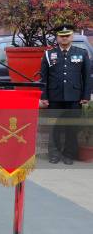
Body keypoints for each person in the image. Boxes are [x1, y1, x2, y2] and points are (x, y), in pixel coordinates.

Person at [40, 24, 91, 165]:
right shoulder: (48, 54)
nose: (64, 38)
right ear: (57, 38)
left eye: (67, 36)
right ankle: (54, 153)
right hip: (54, 98)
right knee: (54, 127)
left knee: (71, 127)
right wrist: (44, 97)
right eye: (61, 36)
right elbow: (43, 79)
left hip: (74, 98)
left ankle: (69, 154)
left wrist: (86, 96)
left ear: (72, 37)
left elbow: (87, 77)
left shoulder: (81, 53)